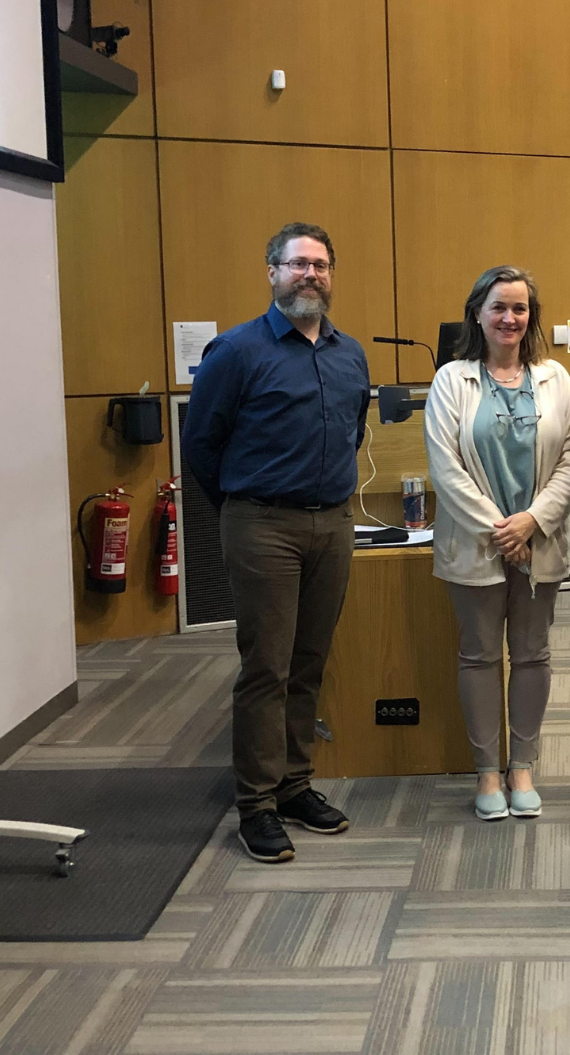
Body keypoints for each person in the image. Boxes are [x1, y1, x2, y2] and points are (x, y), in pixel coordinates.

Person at [182, 223, 370, 863]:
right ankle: (256, 804)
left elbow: (353, 432)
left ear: (331, 274)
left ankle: (294, 785)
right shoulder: (235, 351)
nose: (309, 275)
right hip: (262, 524)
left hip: (333, 523)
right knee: (267, 665)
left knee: (310, 661)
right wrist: (242, 510)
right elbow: (202, 446)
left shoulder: (349, 354)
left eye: (320, 264)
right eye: (296, 264)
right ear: (272, 273)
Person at [424, 266, 570, 820]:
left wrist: (532, 523)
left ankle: (524, 767)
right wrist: (503, 530)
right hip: (477, 543)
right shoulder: (452, 379)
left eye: (519, 309)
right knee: (480, 655)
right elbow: (445, 468)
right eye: (499, 307)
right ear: (477, 313)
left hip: (539, 542)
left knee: (534, 653)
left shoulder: (555, 378)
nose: (509, 318)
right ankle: (487, 771)